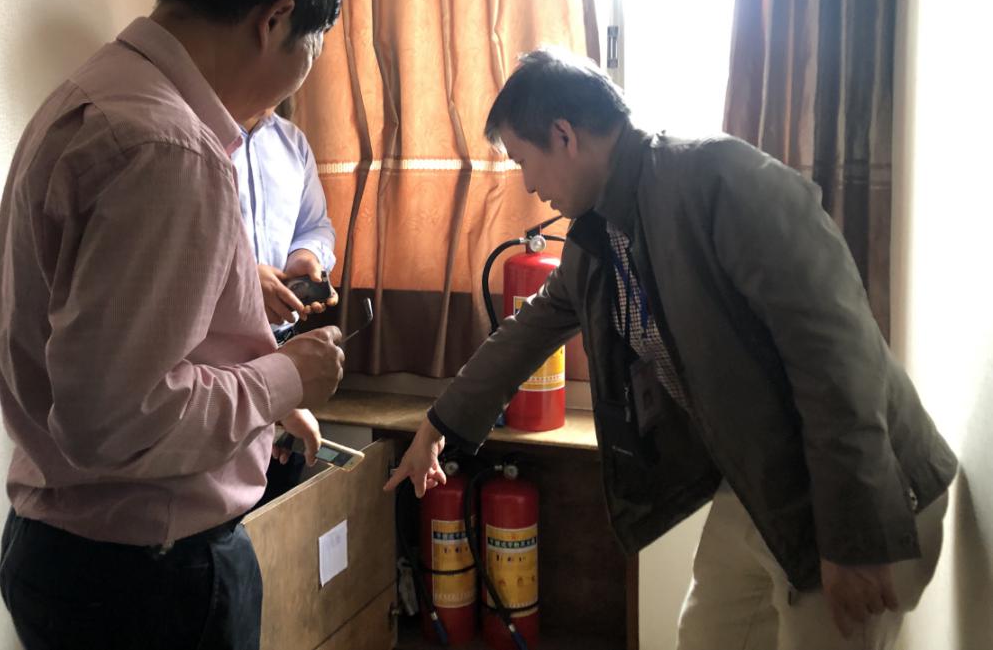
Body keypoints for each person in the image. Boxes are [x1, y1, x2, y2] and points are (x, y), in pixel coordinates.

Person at [386, 47, 958, 650]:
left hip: (861, 490)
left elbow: (837, 355)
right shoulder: (600, 234)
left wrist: (855, 535)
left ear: (564, 136)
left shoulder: (720, 180)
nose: (529, 184)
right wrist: (439, 425)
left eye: (525, 161)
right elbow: (529, 330)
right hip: (759, 484)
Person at [0, 0, 345, 650]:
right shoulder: (171, 149)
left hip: (70, 549)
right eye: (310, 48)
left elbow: (116, 356)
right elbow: (115, 420)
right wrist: (285, 379)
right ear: (275, 20)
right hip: (146, 579)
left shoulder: (96, 94)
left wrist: (259, 393)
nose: (299, 76)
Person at [233, 101, 340, 504]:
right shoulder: (193, 135)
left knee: (277, 494)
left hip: (283, 345)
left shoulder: (291, 142)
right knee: (227, 501)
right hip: (218, 355)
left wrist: (306, 256)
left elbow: (315, 225)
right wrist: (244, 279)